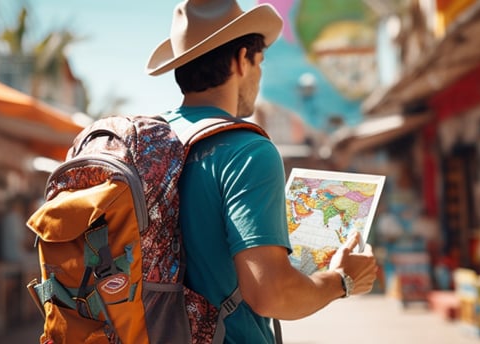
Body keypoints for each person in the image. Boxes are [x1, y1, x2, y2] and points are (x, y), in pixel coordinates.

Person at [146, 1, 378, 342]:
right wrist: (343, 279)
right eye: (260, 62)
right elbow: (271, 294)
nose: (259, 73)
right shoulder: (247, 150)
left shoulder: (152, 141)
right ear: (242, 60)